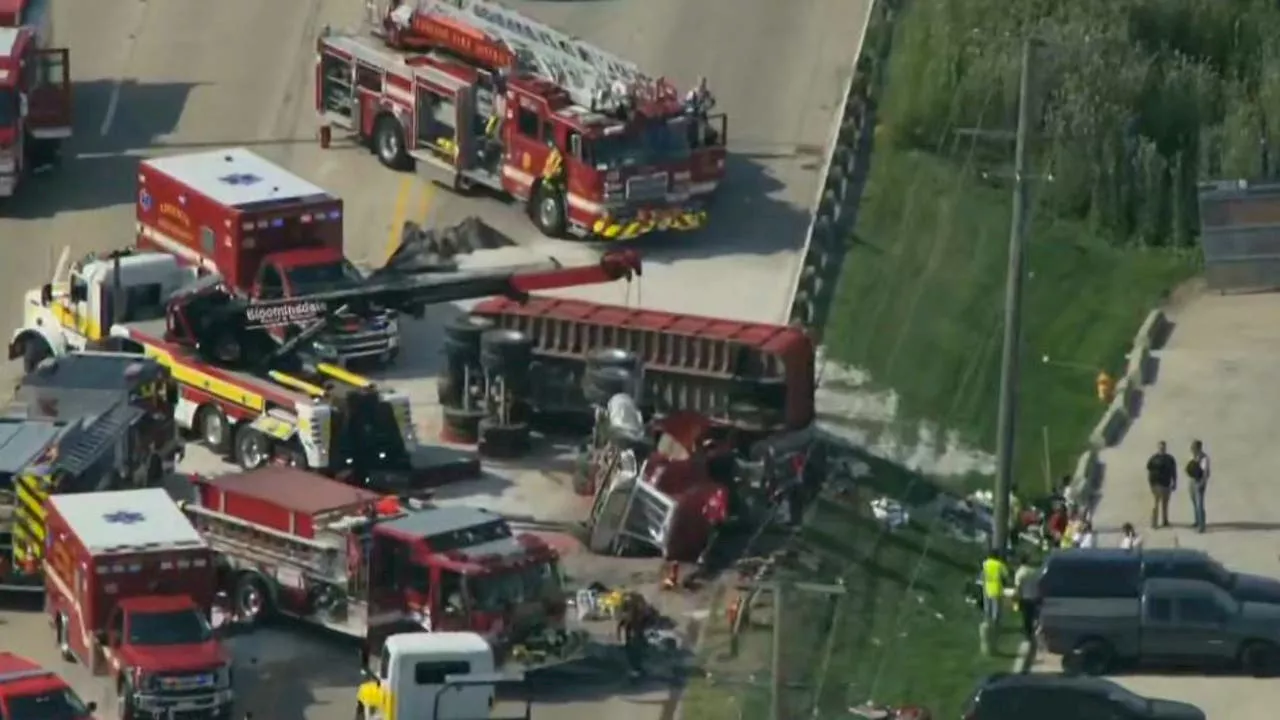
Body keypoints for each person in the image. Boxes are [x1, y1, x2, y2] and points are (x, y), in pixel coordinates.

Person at [616, 591, 653, 678]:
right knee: (634, 651)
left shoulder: (633, 613)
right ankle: (636, 669)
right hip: (633, 634)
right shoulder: (633, 613)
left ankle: (636, 669)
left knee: (635, 651)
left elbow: (621, 624)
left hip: (634, 634)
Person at [1146, 440, 1177, 528]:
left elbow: (1173, 471)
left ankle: (1165, 520)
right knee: (1155, 504)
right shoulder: (1153, 458)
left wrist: (1174, 482)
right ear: (1158, 448)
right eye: (1160, 447)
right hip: (1156, 484)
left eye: (1163, 447)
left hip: (1166, 484)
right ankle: (1154, 522)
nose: (1162, 449)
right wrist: (1150, 483)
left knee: (1165, 504)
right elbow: (1149, 471)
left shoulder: (1170, 459)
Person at [1012, 554, 1041, 642]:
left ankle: (1028, 635)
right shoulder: (1034, 571)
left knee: (1026, 618)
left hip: (1025, 597)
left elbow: (1018, 587)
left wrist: (1015, 597)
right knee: (1034, 616)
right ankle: (1035, 632)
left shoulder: (1019, 573)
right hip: (1034, 596)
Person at [1186, 439, 1211, 533]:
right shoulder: (1193, 457)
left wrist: (1202, 483)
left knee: (1199, 504)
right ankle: (1197, 521)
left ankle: (1202, 525)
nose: (1192, 449)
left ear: (1198, 448)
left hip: (1199, 481)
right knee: (1194, 502)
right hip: (1192, 480)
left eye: (1193, 447)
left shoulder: (1204, 458)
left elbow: (1205, 472)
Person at [981, 550, 1010, 624]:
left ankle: (987, 622)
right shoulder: (999, 564)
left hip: (987, 588)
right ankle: (995, 623)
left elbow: (983, 575)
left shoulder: (985, 563)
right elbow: (1006, 575)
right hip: (996, 588)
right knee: (995, 608)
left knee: (987, 607)